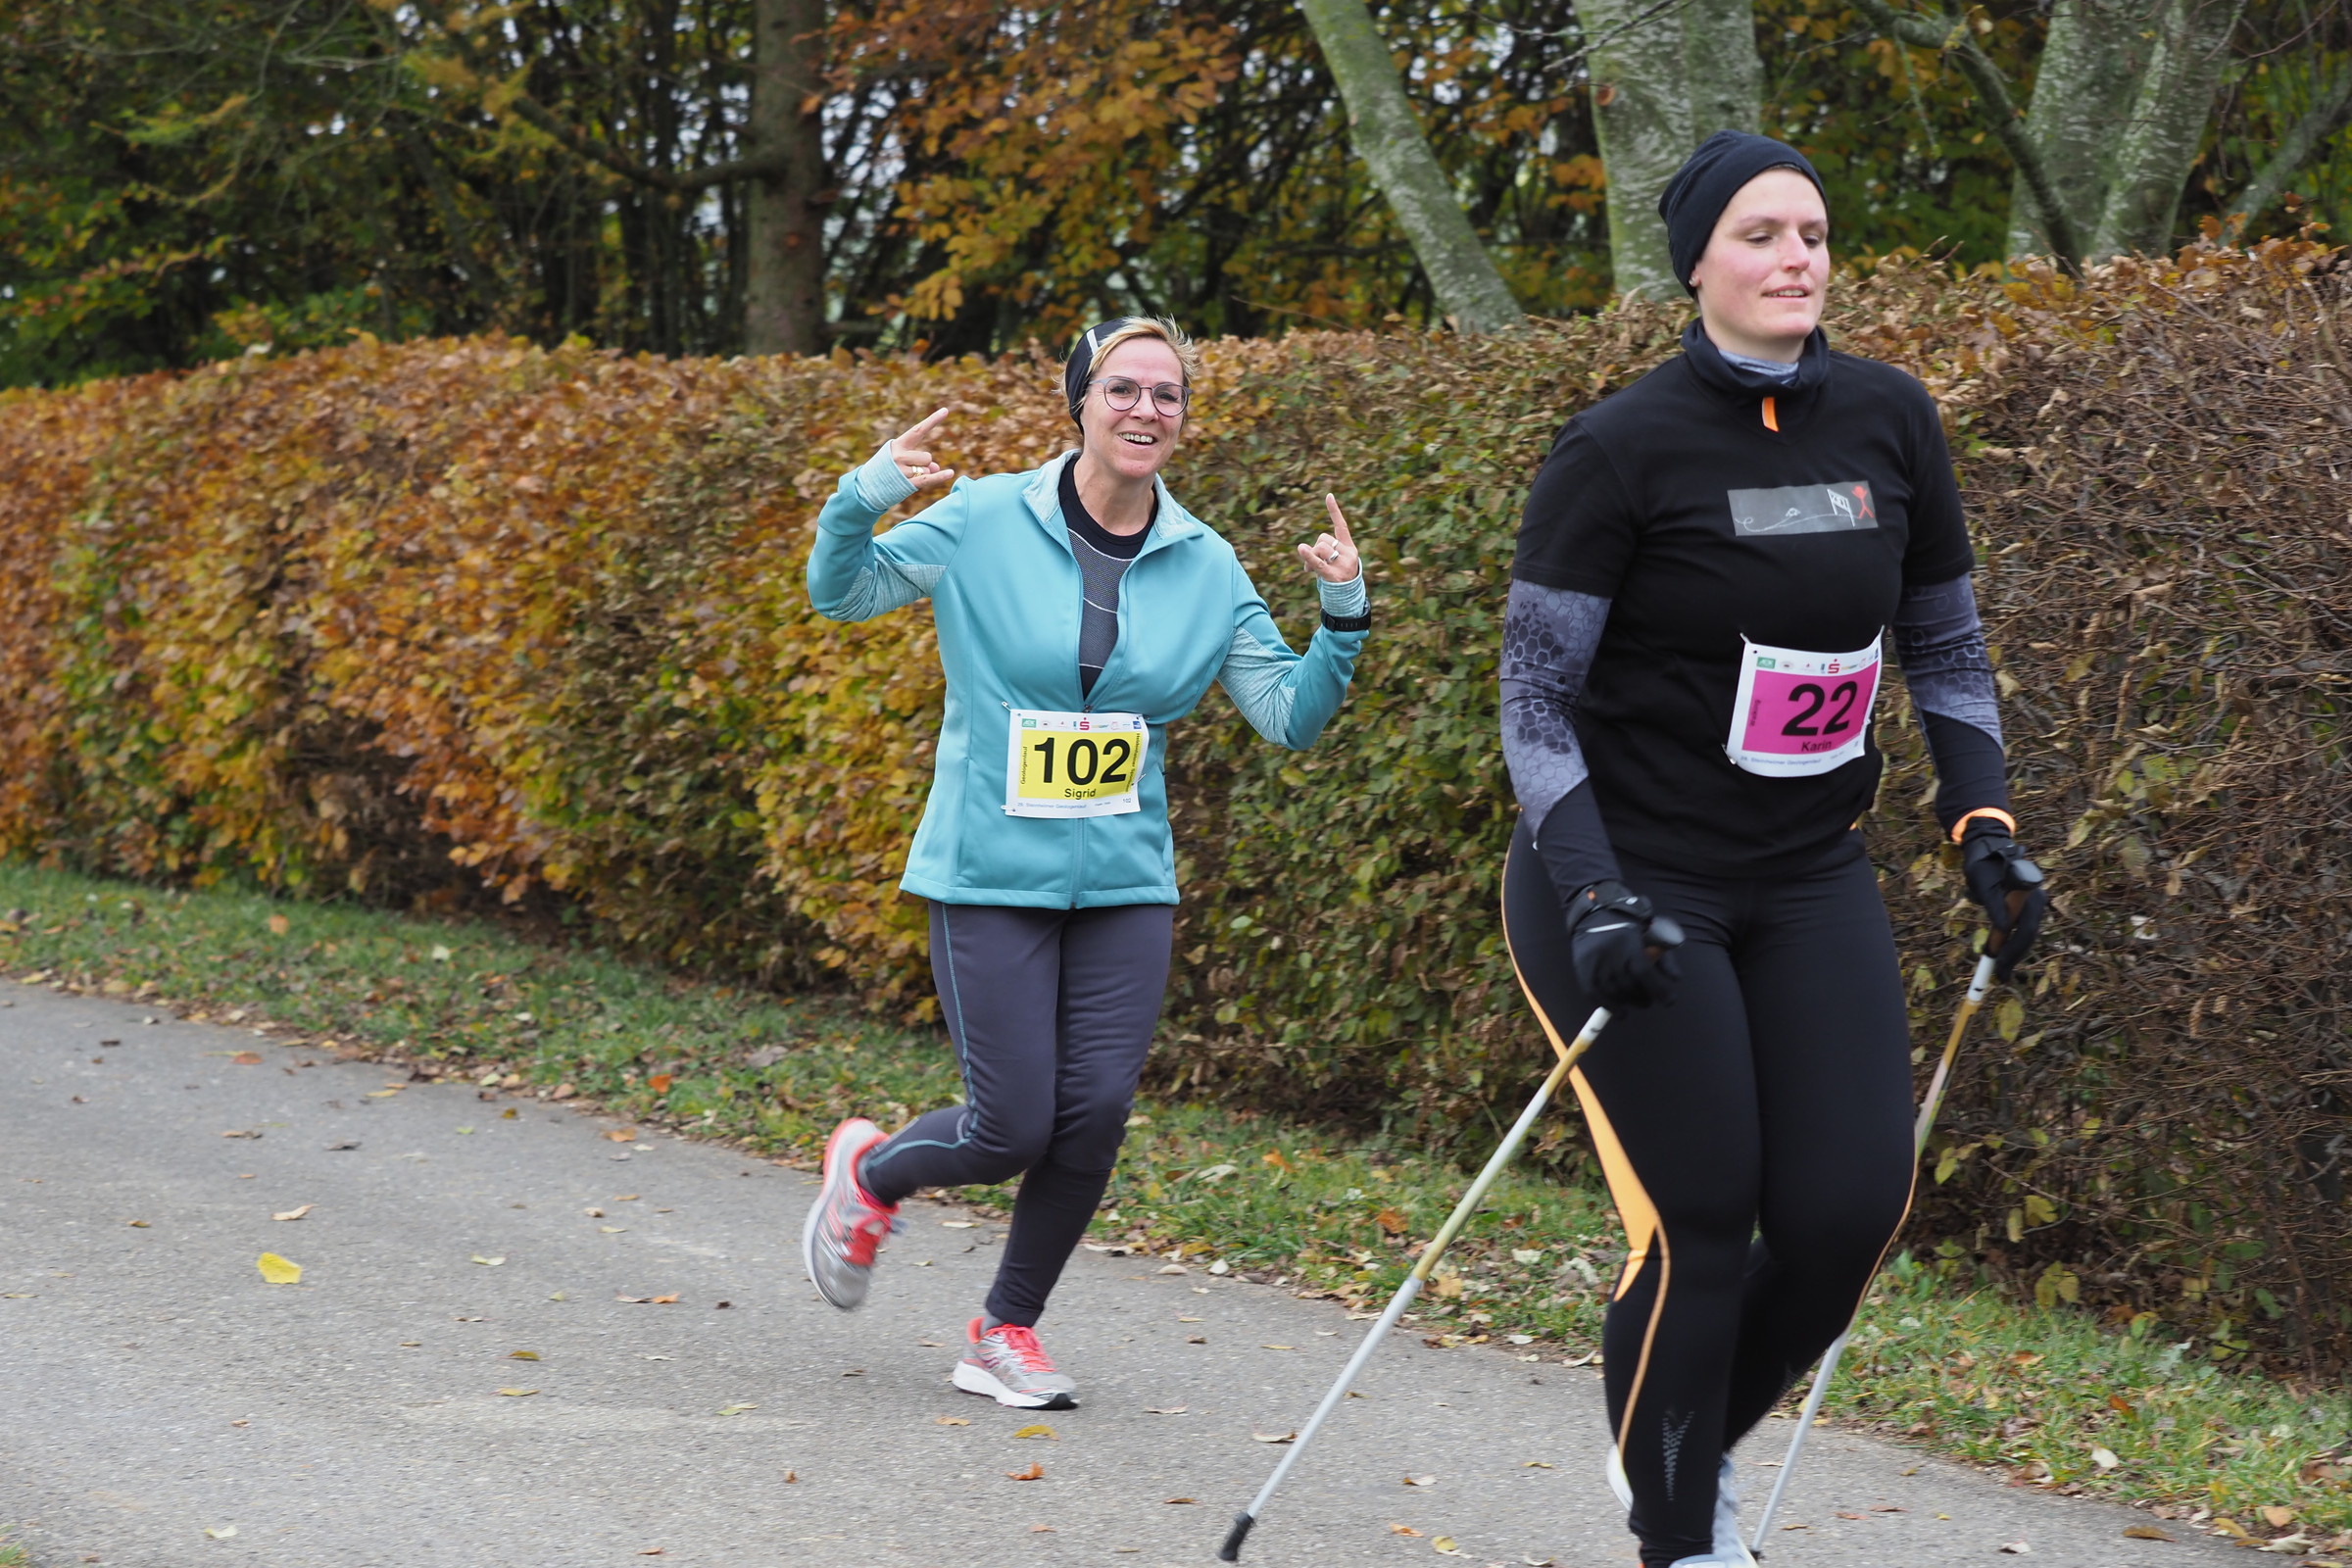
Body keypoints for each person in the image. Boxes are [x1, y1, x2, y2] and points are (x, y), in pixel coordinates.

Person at [1497, 131, 2048, 1568]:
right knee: (1705, 1217)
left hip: (1806, 873)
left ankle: (1668, 1446)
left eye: (1812, 232)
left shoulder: (1890, 419)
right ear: (1696, 263)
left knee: (1850, 1209)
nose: (1797, 257)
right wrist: (1594, 888)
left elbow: (1944, 646)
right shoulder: (1619, 446)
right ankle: (1683, 1533)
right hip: (1632, 879)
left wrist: (1984, 823)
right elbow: (1536, 703)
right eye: (1761, 234)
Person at [800, 317, 1371, 1410]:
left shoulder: (1206, 563)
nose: (1146, 409)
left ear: (1184, 418)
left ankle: (1003, 1330)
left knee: (1096, 1112)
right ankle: (868, 1175)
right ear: (1082, 403)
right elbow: (844, 590)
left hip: (1124, 883)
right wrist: (862, 495)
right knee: (1010, 1125)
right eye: (1123, 388)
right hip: (989, 871)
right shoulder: (983, 518)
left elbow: (1287, 714)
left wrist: (1341, 617)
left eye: (1168, 394)